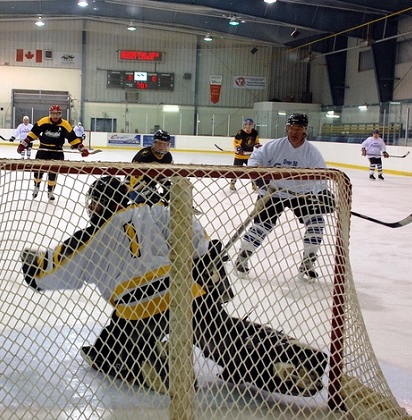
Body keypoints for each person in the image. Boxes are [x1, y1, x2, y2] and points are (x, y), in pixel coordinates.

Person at [20, 176, 327, 396]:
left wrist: (33, 264)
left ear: (101, 202)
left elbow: (55, 270)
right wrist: (210, 253)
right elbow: (199, 245)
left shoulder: (92, 236)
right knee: (222, 337)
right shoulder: (157, 211)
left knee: (114, 357)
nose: (91, 207)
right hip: (187, 291)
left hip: (140, 308)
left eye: (94, 202)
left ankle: (157, 365)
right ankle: (277, 355)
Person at [234, 113, 334, 281]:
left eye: (299, 129)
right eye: (292, 128)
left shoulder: (312, 153)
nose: (295, 132)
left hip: (301, 194)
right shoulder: (274, 146)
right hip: (274, 191)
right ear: (287, 128)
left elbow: (321, 177)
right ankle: (242, 258)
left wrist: (321, 193)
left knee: (317, 222)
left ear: (305, 131)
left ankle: (308, 261)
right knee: (262, 225)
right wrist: (260, 178)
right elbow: (255, 159)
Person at [17, 105, 89, 201]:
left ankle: (50, 191)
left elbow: (73, 139)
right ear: (50, 113)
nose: (55, 116)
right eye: (53, 113)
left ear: (60, 114)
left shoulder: (65, 125)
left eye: (57, 113)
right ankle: (36, 187)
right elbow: (33, 134)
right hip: (43, 150)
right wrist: (23, 144)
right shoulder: (43, 121)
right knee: (38, 170)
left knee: (53, 173)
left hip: (57, 151)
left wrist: (81, 148)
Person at [126, 129, 173, 203]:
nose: (161, 146)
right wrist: (151, 195)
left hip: (150, 187)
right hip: (134, 189)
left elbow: (162, 175)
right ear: (154, 142)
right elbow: (134, 182)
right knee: (154, 204)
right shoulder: (145, 155)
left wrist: (168, 188)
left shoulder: (168, 157)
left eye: (164, 144)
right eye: (159, 143)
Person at [230, 118, 262, 191]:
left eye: (250, 125)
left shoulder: (254, 133)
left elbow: (256, 142)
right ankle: (232, 184)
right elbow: (236, 142)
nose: (248, 126)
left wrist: (258, 146)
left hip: (249, 156)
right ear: (244, 125)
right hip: (239, 156)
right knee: (236, 171)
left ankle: (254, 186)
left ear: (252, 125)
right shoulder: (241, 133)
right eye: (246, 124)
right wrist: (238, 148)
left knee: (252, 171)